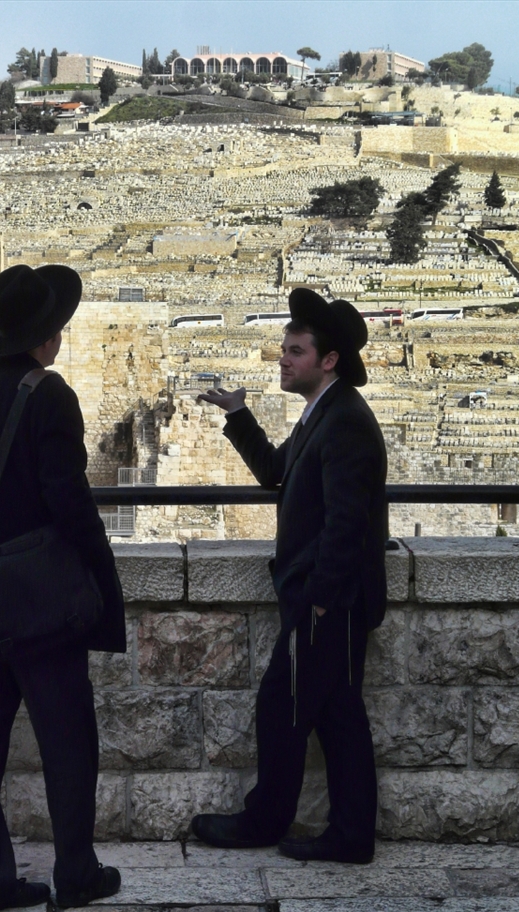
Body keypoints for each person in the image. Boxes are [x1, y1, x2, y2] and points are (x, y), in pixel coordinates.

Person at [0, 264, 125, 912]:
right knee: (68, 738)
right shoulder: (48, 396)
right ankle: (77, 870)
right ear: (48, 336)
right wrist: (100, 577)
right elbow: (71, 501)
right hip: (43, 604)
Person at [192, 288, 387, 864]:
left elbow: (347, 524)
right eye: (284, 348)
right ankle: (350, 835)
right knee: (336, 713)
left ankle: (266, 820)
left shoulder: (344, 421)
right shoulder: (323, 414)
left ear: (328, 360)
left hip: (330, 601)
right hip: (329, 599)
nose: (282, 358)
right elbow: (277, 472)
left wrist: (322, 601)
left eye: (295, 351)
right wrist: (238, 415)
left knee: (284, 707)